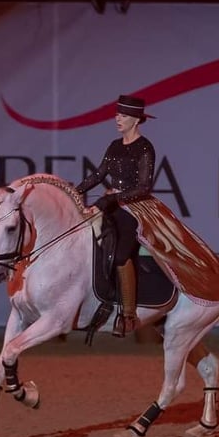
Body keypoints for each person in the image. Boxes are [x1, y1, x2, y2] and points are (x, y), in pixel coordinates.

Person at [75, 95, 156, 337]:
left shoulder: (145, 147)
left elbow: (143, 187)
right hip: (110, 203)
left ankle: (129, 315)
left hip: (134, 208)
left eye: (122, 115)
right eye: (117, 114)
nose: (117, 119)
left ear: (135, 120)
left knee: (121, 255)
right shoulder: (114, 145)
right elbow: (99, 175)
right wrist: (73, 191)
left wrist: (111, 198)